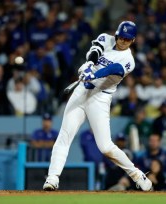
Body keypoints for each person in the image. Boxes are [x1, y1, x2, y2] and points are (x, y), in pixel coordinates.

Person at [43, 21, 152, 191]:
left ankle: (137, 175)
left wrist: (93, 73)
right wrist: (88, 64)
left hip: (100, 99)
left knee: (105, 146)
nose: (122, 41)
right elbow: (95, 50)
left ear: (133, 40)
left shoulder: (129, 60)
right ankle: (52, 178)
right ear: (116, 35)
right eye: (121, 37)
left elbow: (114, 69)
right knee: (64, 136)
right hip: (81, 92)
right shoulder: (106, 38)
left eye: (127, 39)